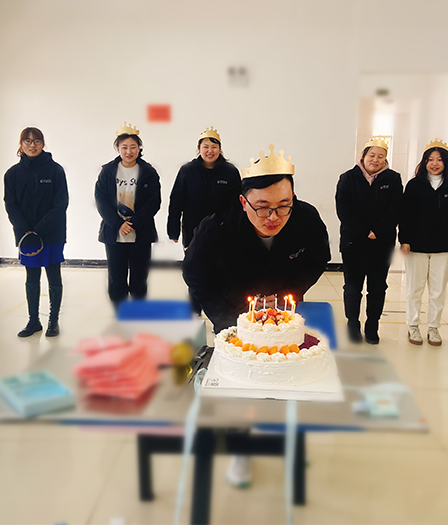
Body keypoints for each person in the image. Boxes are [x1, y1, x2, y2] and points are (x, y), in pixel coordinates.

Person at [183, 143, 330, 487]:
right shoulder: (217, 226)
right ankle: (242, 446)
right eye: (262, 207)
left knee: (286, 378)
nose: (273, 217)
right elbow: (194, 274)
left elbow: (318, 258)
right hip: (234, 314)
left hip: (282, 316)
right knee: (242, 385)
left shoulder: (307, 220)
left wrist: (292, 292)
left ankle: (286, 437)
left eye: (283, 206)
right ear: (243, 201)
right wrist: (224, 315)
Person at [399, 139, 448, 346]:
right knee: (414, 289)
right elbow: (405, 215)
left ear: (446, 163)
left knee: (438, 291)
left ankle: (433, 328)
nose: (434, 163)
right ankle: (413, 326)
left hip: (444, 247)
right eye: (430, 160)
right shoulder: (414, 185)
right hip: (416, 247)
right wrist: (404, 240)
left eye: (439, 160)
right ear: (424, 162)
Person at [336, 137, 403, 344]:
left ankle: (372, 326)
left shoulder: (393, 179)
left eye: (380, 156)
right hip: (353, 243)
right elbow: (343, 209)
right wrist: (364, 231)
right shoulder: (348, 178)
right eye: (372, 155)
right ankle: (353, 325)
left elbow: (396, 209)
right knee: (352, 288)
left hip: (382, 243)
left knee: (377, 287)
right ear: (363, 156)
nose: (375, 159)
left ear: (385, 159)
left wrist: (378, 231)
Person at [4, 127, 69, 337]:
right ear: (21, 144)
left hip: (52, 233)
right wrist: (26, 230)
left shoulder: (55, 171)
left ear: (43, 143)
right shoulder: (12, 174)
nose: (32, 145)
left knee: (54, 276)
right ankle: (33, 321)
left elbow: (60, 204)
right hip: (26, 236)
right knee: (31, 278)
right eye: (28, 141)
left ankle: (53, 321)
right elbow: (10, 205)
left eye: (37, 141)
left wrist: (39, 229)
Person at [167, 127, 241, 313]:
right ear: (199, 149)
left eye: (214, 146)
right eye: (205, 146)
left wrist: (237, 228)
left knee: (222, 272)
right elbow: (176, 201)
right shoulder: (187, 170)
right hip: (192, 230)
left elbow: (238, 204)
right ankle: (195, 312)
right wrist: (173, 230)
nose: (210, 150)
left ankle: (222, 313)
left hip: (222, 231)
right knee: (195, 272)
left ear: (220, 149)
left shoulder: (230, 172)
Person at [95, 123, 161, 309]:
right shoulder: (108, 171)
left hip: (141, 232)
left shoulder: (148, 172)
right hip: (114, 233)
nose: (129, 151)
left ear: (139, 148)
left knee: (140, 277)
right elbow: (101, 200)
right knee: (116, 278)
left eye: (133, 147)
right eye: (124, 147)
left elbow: (154, 201)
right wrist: (118, 224)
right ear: (118, 148)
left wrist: (134, 223)